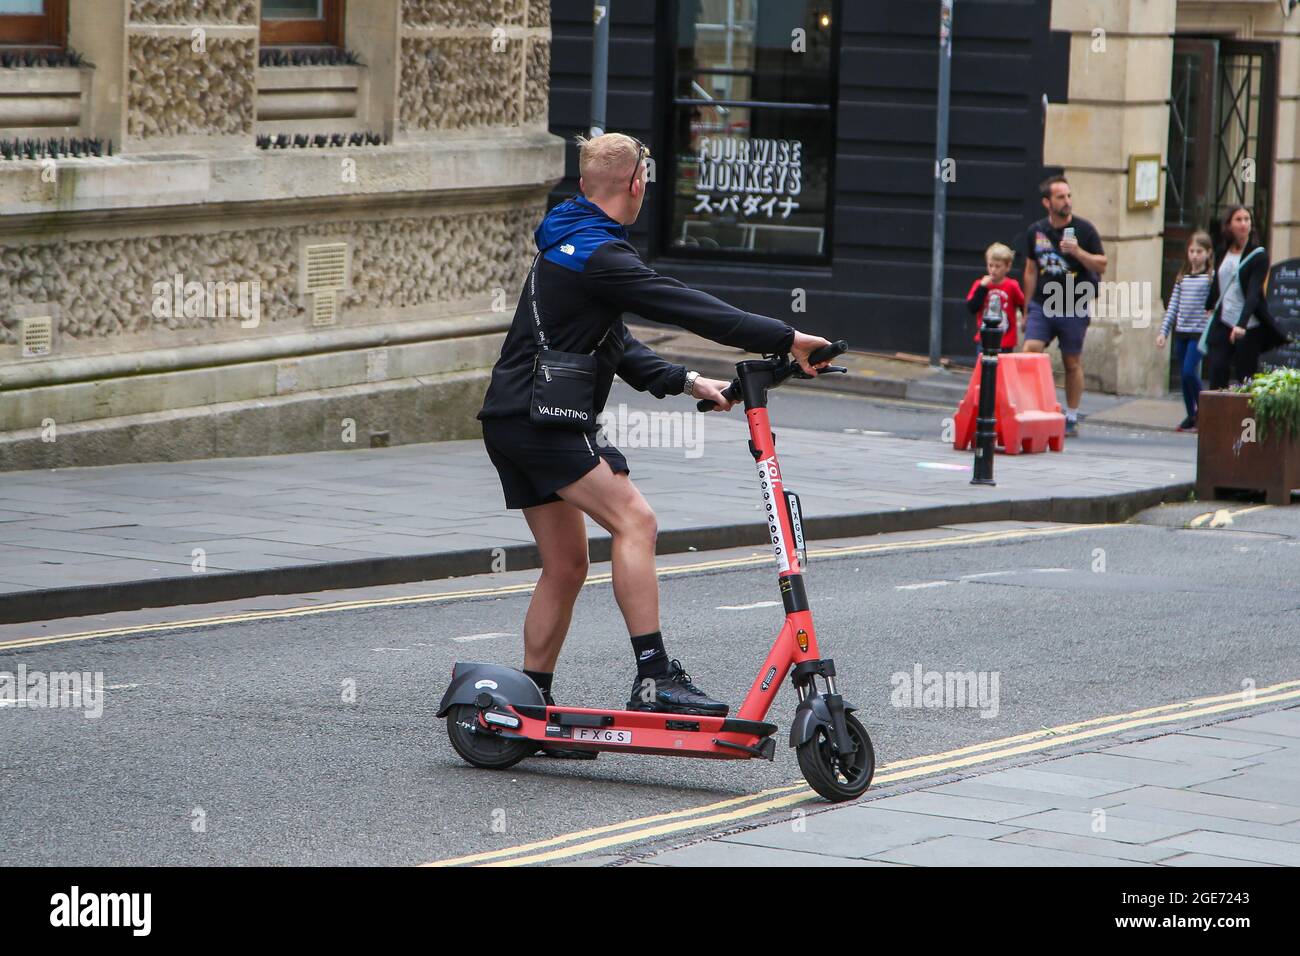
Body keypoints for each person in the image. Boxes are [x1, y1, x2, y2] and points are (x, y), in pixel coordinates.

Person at [476, 133, 833, 755]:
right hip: (541, 424)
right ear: (636, 183)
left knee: (565, 565)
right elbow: (684, 305)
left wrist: (691, 380)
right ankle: (654, 677)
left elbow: (613, 341)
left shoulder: (571, 239)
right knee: (636, 521)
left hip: (517, 417)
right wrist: (787, 336)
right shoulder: (600, 255)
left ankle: (530, 707)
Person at [1020, 175, 1107, 438]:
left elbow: (1102, 264)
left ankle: (1071, 415)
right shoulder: (1035, 231)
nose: (1067, 201)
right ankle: (1033, 407)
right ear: (1047, 202)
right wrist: (1025, 309)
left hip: (1073, 304)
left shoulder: (1085, 230)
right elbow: (1031, 271)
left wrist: (1078, 252)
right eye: (1060, 197)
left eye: (1069, 196)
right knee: (1030, 352)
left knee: (1072, 362)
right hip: (1043, 304)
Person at [1203, 204, 1289, 389]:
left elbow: (1253, 294)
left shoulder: (1258, 255)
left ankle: (1245, 417)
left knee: (1246, 377)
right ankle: (1217, 415)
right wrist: (1209, 306)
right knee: (1217, 369)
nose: (1243, 224)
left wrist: (1241, 325)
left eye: (1246, 219)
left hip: (1248, 325)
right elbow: (1218, 281)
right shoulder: (1222, 252)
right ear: (1228, 225)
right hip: (1224, 321)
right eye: (1238, 219)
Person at [1155, 231, 1214, 431]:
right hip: (1182, 330)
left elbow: (1215, 304)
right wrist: (1163, 332)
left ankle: (1205, 409)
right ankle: (1191, 414)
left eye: (1199, 251)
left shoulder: (1209, 279)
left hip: (1199, 332)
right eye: (1191, 251)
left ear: (1208, 253)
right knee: (1183, 375)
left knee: (1190, 371)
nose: (1195, 256)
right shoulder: (1182, 277)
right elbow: (1173, 306)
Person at [965, 242, 1025, 357]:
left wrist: (1025, 319)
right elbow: (972, 307)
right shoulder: (980, 284)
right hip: (984, 339)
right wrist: (982, 288)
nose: (993, 270)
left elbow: (1023, 305)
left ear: (1007, 267)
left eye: (997, 266)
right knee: (984, 369)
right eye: (990, 265)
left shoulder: (1012, 286)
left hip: (1005, 341)